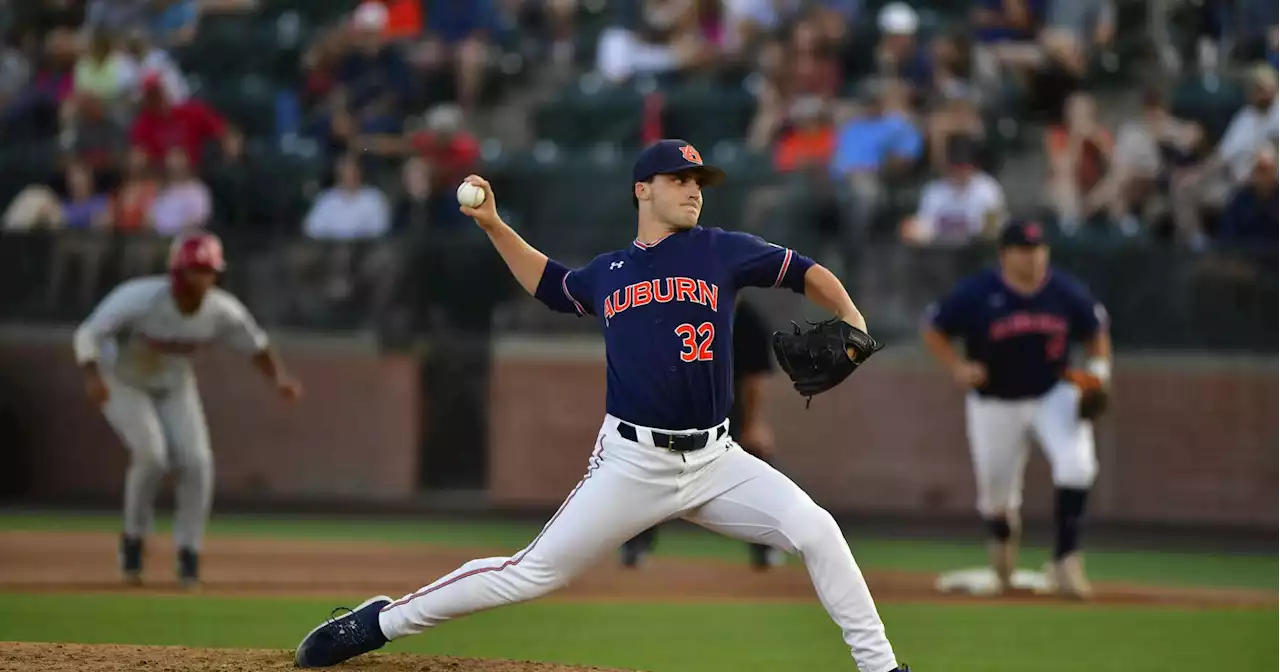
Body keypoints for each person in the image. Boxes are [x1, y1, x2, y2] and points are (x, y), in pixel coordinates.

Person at [293, 140, 910, 672]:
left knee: (818, 530)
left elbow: (807, 272)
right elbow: (551, 285)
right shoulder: (610, 272)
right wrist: (494, 227)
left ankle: (880, 667)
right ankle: (380, 623)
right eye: (680, 180)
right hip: (631, 463)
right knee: (531, 573)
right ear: (643, 189)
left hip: (718, 460)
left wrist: (852, 320)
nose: (694, 191)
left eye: (700, 182)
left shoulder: (722, 249)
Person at [73, 232, 303, 587]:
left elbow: (255, 344)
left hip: (175, 385)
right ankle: (134, 540)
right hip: (122, 380)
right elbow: (88, 333)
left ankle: (188, 551)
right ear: (178, 271)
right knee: (152, 454)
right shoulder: (141, 298)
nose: (204, 279)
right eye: (197, 270)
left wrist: (280, 379)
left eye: (209, 271)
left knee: (197, 461)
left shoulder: (220, 309)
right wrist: (91, 375)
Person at [920, 219, 1112, 599]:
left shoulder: (1064, 291)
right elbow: (933, 327)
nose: (1034, 257)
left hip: (1052, 393)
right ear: (1005, 254)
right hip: (995, 400)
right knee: (996, 494)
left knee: (1078, 465)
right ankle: (1003, 553)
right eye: (1025, 250)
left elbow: (1096, 330)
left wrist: (1099, 374)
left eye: (1039, 249)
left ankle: (1066, 559)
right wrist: (958, 367)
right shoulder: (978, 292)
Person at [619, 295, 784, 570]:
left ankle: (765, 549)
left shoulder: (749, 321)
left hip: (728, 414)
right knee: (651, 468)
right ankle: (635, 544)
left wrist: (753, 425)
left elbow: (753, 381)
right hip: (679, 407)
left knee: (759, 469)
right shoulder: (685, 310)